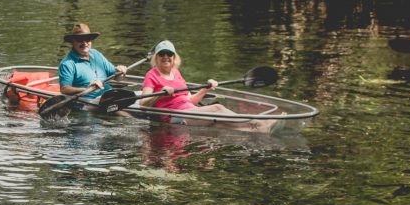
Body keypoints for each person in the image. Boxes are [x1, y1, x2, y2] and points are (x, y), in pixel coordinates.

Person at [139, 40, 282, 133]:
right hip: (174, 117)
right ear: (156, 58)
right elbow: (143, 104)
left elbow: (190, 100)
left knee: (219, 124)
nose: (165, 57)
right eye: (161, 54)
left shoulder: (176, 73)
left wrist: (205, 89)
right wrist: (160, 94)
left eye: (169, 54)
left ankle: (257, 130)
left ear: (174, 57)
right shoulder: (151, 75)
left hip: (191, 111)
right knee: (217, 108)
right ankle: (257, 122)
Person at [57, 23, 128, 102]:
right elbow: (64, 89)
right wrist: (87, 88)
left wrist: (121, 71)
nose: (85, 43)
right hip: (89, 101)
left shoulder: (96, 54)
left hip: (109, 96)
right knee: (123, 113)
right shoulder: (67, 63)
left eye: (87, 39)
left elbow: (116, 77)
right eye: (80, 40)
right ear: (73, 42)